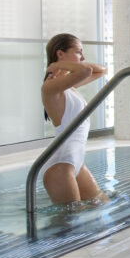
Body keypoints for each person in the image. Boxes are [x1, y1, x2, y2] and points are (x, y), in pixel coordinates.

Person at [41, 33, 109, 205]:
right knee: (70, 224)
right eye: (79, 52)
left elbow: (101, 70)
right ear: (60, 53)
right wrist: (61, 64)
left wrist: (62, 64)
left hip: (75, 161)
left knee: (101, 203)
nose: (83, 57)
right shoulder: (51, 86)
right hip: (61, 165)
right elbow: (86, 70)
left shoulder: (67, 84)